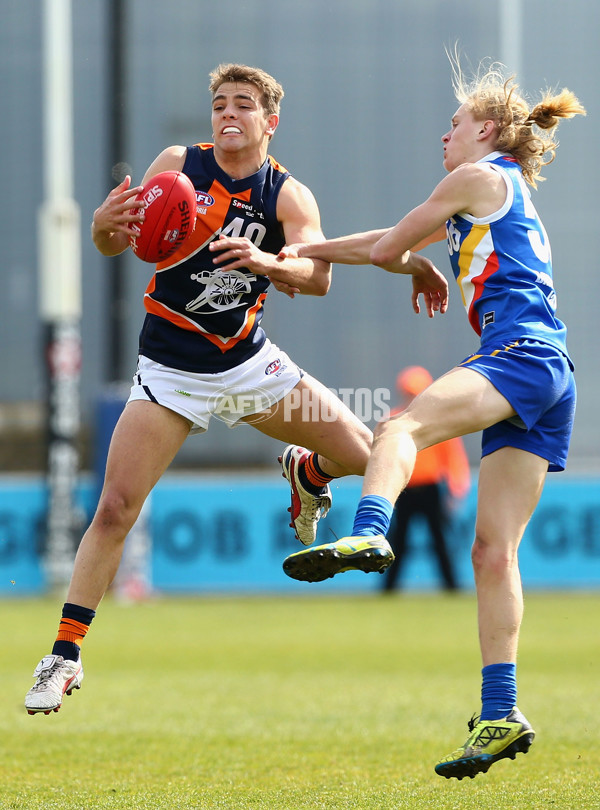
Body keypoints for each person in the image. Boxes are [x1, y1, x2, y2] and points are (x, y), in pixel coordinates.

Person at [24, 63, 438, 716]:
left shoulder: (286, 196)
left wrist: (270, 262)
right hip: (170, 368)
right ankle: (63, 656)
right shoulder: (178, 166)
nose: (227, 114)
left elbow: (319, 276)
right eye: (219, 103)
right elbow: (117, 244)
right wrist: (104, 224)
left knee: (369, 455)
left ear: (270, 122)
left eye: (243, 104)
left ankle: (308, 471)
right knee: (116, 507)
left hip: (247, 366)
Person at [280, 58, 585, 779]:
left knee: (399, 430)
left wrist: (399, 262)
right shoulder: (493, 187)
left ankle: (368, 530)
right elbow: (390, 241)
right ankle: (501, 713)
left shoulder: (475, 176)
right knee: (492, 553)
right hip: (552, 371)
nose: (443, 135)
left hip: (517, 354)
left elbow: (390, 247)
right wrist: (301, 250)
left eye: (454, 123)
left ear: (486, 129)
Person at [382, 365, 470, 592]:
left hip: (431, 489)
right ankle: (388, 589)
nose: (412, 397)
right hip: (404, 489)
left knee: (440, 541)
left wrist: (456, 489)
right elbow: (383, 459)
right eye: (409, 392)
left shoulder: (438, 421)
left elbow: (453, 458)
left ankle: (451, 587)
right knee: (398, 543)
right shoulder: (392, 419)